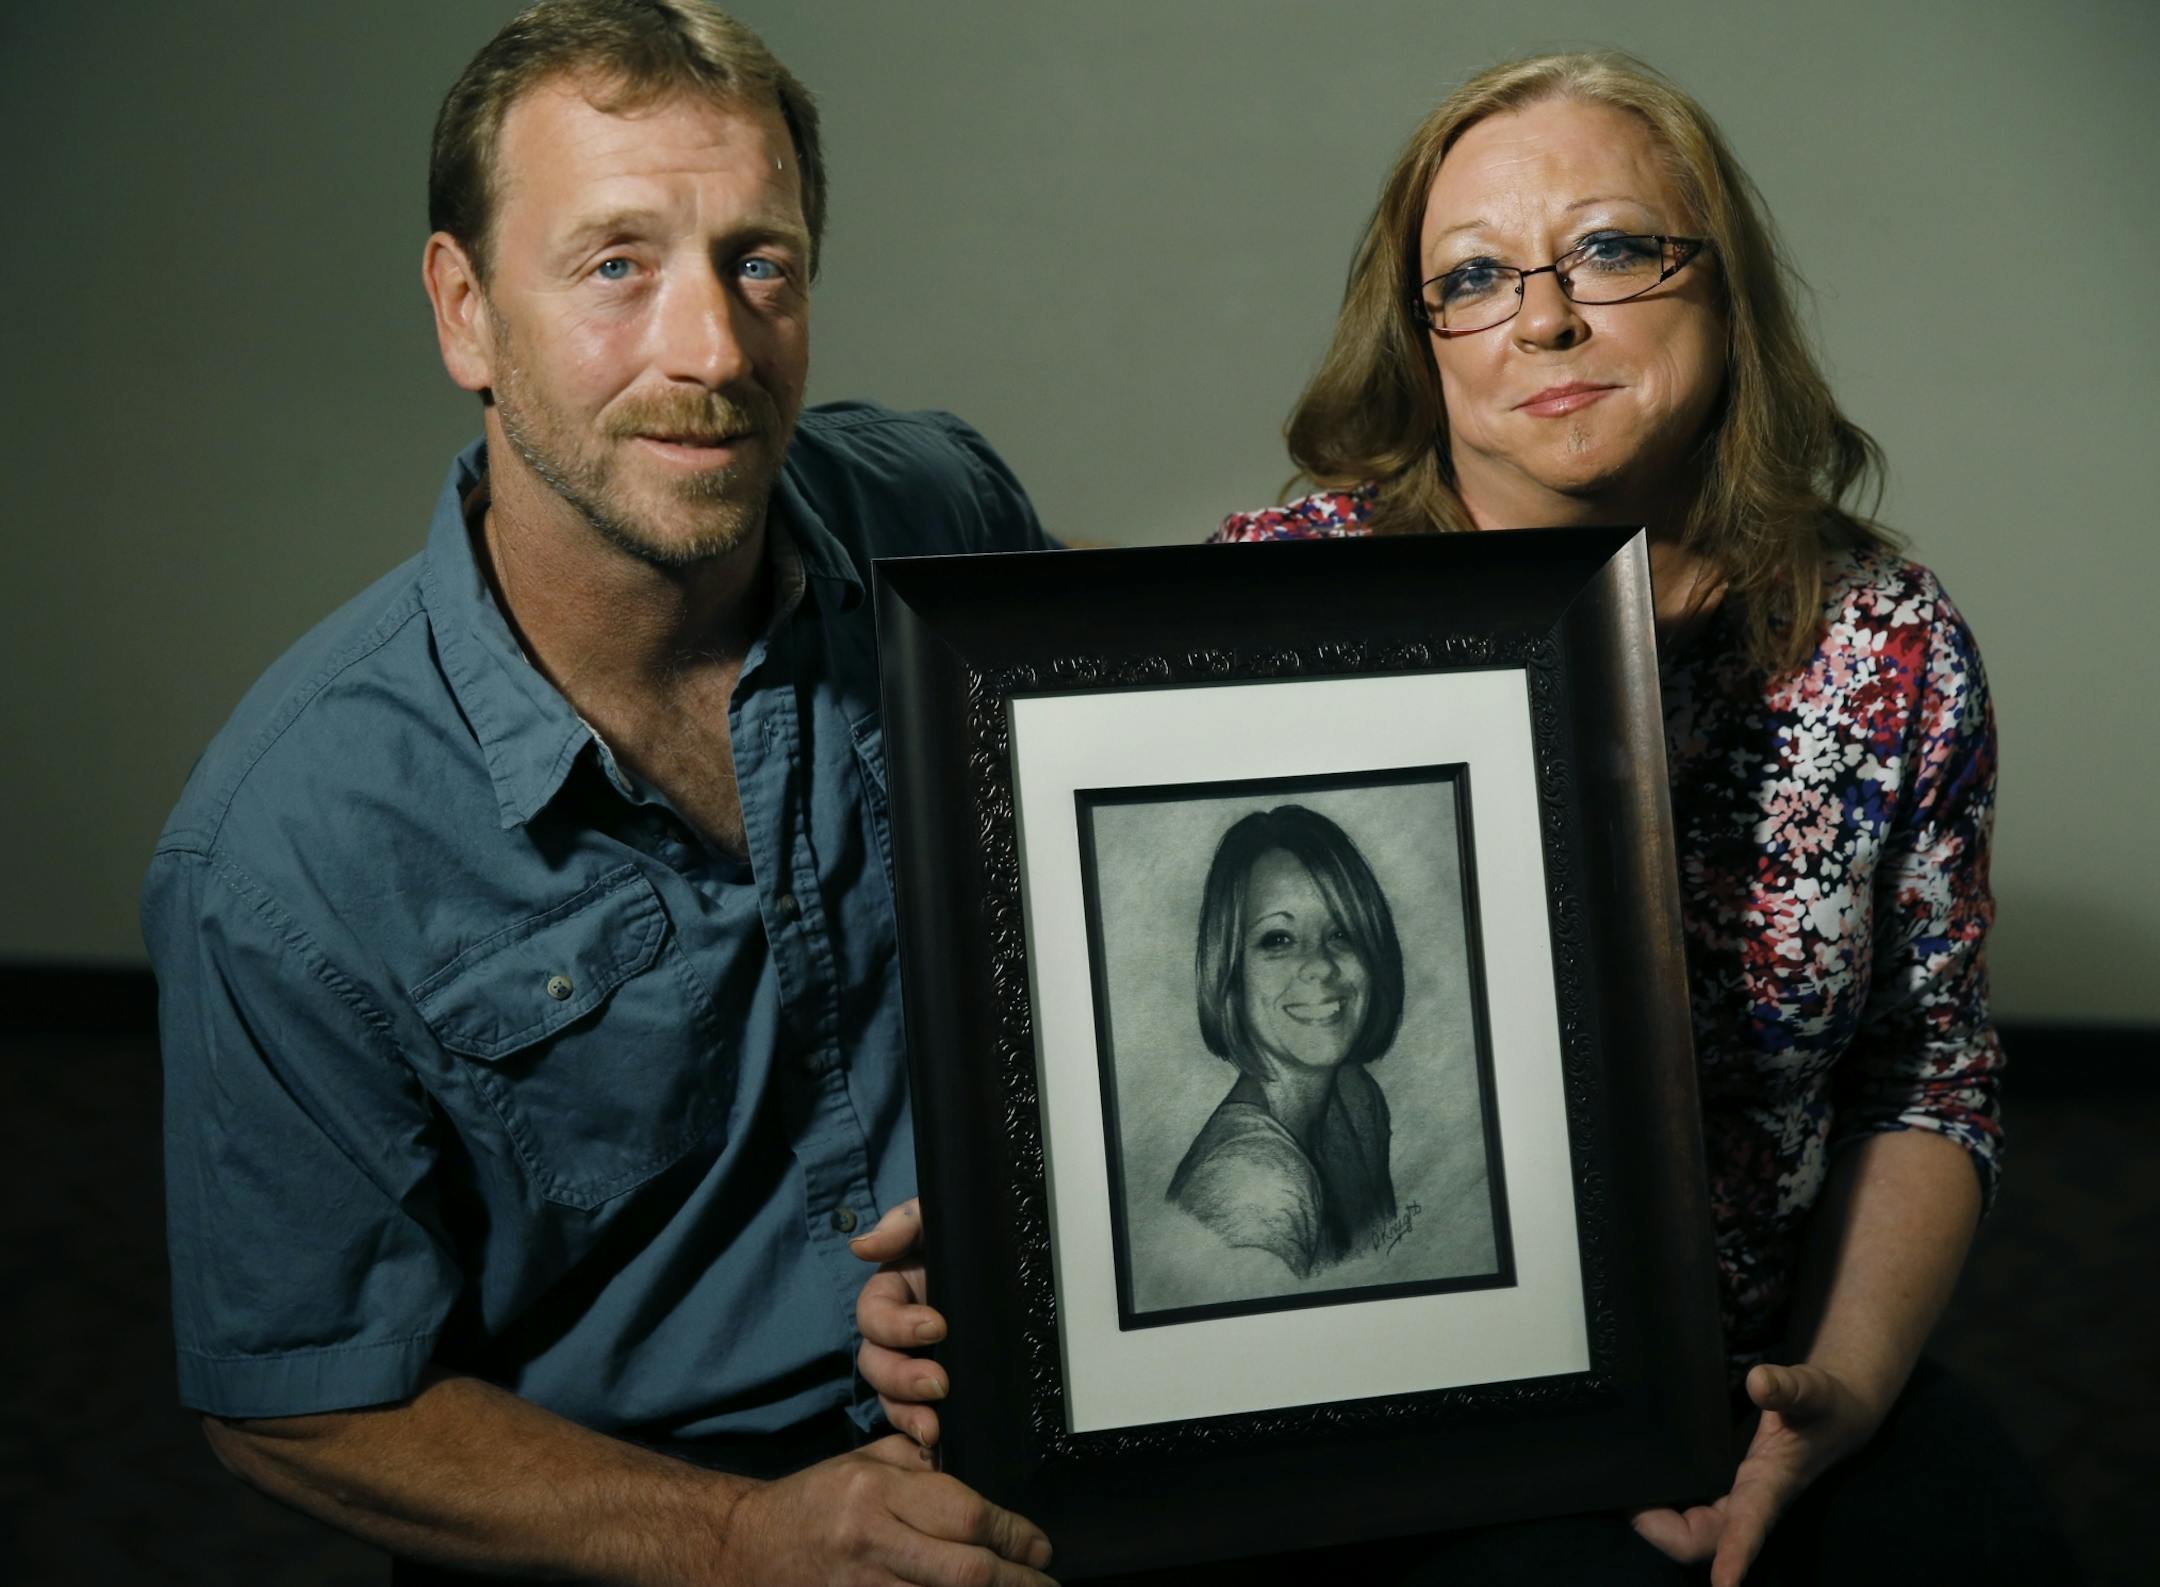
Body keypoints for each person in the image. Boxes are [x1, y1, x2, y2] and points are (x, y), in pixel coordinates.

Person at [860, 48, 2070, 1586]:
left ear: (1727, 284)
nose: (1545, 317)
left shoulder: (1887, 643)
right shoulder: (1274, 594)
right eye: (1476, 276)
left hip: (1749, 1359)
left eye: (1615, 250)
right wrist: (1006, 1249)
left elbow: (1926, 1068)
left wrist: (1836, 1393)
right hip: (1347, 1376)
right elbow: (1105, 1033)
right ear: (1422, 335)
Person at [143, 3, 1058, 1583]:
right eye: (616, 262)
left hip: (1034, 1430)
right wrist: (735, 1536)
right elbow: (299, 1401)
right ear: (465, 312)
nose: (710, 350)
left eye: (757, 261)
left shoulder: (934, 509)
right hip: (659, 1520)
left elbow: (1121, 758)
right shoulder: (285, 851)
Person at [1167, 805, 1404, 1279]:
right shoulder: (1250, 1186)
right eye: (1277, 939)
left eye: (1341, 932)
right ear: (1229, 972)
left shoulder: (1357, 1100)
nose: (1320, 965)